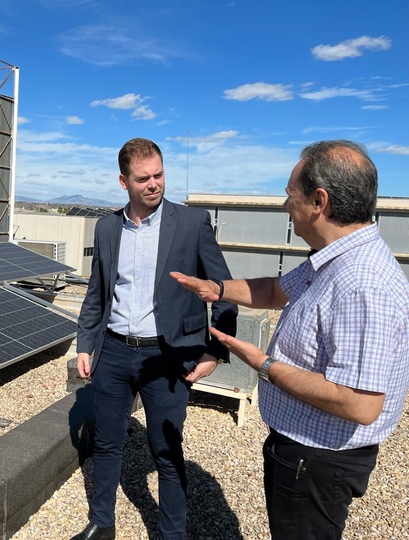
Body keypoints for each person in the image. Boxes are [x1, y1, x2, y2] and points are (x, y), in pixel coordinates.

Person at [171, 140, 409, 540]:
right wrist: (215, 288)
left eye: (289, 196)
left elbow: (361, 403)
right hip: (303, 454)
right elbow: (275, 290)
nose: (285, 206)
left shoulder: (362, 283)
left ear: (319, 201)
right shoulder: (332, 258)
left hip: (317, 462)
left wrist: (263, 364)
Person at [72, 138, 237, 540]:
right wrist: (84, 342)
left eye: (159, 175)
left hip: (167, 357)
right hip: (112, 351)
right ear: (123, 181)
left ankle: (171, 535)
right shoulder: (108, 227)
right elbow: (98, 292)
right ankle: (101, 523)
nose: (153, 184)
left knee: (166, 453)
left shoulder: (192, 223)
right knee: (108, 444)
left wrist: (216, 349)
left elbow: (224, 290)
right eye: (143, 178)